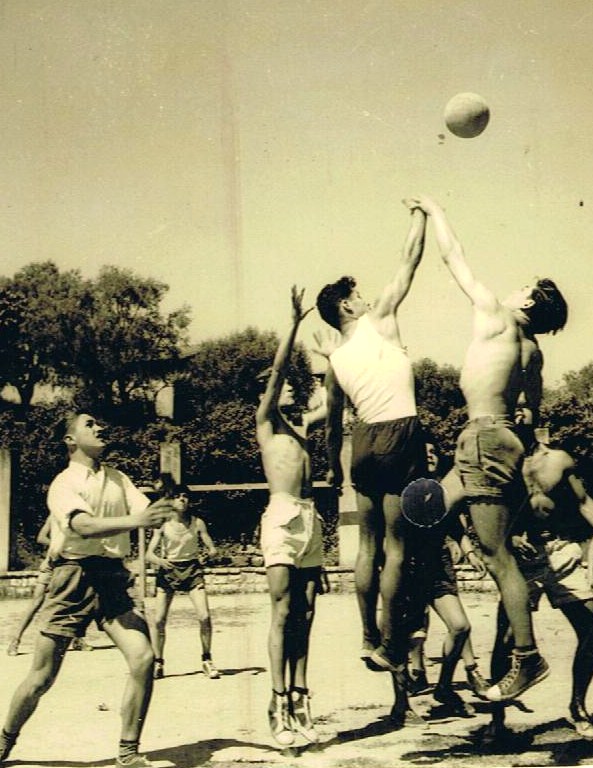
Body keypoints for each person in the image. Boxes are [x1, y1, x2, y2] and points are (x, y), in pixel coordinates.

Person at [408, 194, 567, 702]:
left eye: (522, 287)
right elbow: (534, 407)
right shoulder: (533, 349)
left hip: (482, 437)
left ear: (526, 303)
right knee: (422, 514)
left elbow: (454, 258)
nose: (512, 288)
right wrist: (526, 431)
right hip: (497, 440)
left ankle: (526, 657)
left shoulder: (495, 315)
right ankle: (399, 634)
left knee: (499, 558)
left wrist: (436, 212)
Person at [0, 412, 174, 768]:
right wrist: (138, 520)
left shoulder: (118, 478)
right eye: (90, 424)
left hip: (111, 577)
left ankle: (128, 754)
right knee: (41, 677)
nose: (100, 428)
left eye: (101, 424)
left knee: (143, 658)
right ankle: (3, 742)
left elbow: (148, 511)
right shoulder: (63, 484)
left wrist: (165, 506)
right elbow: (83, 526)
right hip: (72, 578)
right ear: (70, 440)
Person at [315, 203, 429, 710]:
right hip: (400, 432)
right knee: (398, 551)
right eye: (354, 294)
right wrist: (422, 216)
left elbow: (332, 423)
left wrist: (332, 467)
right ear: (347, 306)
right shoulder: (379, 321)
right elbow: (409, 263)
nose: (364, 297)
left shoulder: (334, 361)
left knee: (367, 546)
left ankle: (365, 635)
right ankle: (387, 645)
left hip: (361, 444)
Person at [480, 423, 593, 744]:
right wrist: (509, 538)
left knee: (591, 628)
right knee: (506, 637)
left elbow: (584, 502)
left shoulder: (557, 459)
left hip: (560, 551)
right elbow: (489, 514)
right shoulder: (498, 460)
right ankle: (496, 719)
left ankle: (577, 706)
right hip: (520, 560)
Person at [255, 286, 325, 748]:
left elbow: (332, 402)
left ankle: (300, 696)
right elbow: (280, 371)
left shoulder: (302, 429)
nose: (286, 388)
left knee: (306, 611)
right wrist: (296, 324)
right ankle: (277, 699)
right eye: (280, 386)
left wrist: (329, 362)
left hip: (309, 517)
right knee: (282, 611)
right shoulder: (265, 422)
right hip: (281, 515)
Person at [397, 440, 490, 719]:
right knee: (406, 636)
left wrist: (470, 552)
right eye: (424, 453)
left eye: (434, 452)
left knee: (460, 626)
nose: (431, 456)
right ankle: (401, 704)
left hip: (438, 567)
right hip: (409, 570)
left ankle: (444, 688)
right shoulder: (403, 490)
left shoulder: (443, 490)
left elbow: (455, 527)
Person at [147, 483, 220, 680]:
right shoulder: (162, 524)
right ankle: (158, 662)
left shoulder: (198, 523)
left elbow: (213, 549)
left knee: (204, 616)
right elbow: (149, 554)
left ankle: (207, 659)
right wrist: (160, 561)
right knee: (159, 620)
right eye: (178, 496)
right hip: (169, 572)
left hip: (192, 571)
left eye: (185, 496)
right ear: (171, 500)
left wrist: (208, 555)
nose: (182, 499)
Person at [6, 517, 93, 656]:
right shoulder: (55, 515)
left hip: (70, 565)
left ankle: (77, 640)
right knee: (36, 602)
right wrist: (59, 545)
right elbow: (41, 537)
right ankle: (15, 640)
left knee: (74, 601)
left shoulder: (80, 517)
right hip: (51, 564)